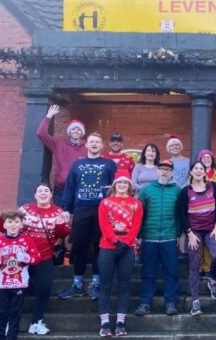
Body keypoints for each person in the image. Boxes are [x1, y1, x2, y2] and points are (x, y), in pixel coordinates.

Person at [0, 184, 70, 335]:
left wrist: (60, 223)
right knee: (10, 289)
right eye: (39, 191)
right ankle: (2, 321)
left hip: (44, 256)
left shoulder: (58, 211)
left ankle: (36, 322)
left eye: (46, 191)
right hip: (20, 257)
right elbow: (9, 228)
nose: (43, 193)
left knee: (44, 288)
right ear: (35, 195)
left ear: (51, 194)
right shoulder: (25, 209)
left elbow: (63, 234)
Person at [59, 132, 117, 300]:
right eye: (91, 141)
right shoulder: (77, 164)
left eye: (97, 142)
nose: (94, 144)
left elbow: (116, 188)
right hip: (81, 210)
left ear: (101, 146)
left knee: (100, 247)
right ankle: (77, 284)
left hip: (102, 211)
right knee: (80, 247)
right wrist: (65, 208)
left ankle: (96, 284)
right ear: (86, 145)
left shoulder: (109, 164)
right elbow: (70, 187)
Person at [97, 170, 143, 336]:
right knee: (106, 284)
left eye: (126, 183)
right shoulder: (105, 203)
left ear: (129, 186)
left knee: (124, 284)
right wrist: (116, 241)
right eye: (120, 182)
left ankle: (121, 322)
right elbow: (104, 225)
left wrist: (126, 242)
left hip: (127, 246)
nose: (123, 185)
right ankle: (105, 323)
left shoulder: (136, 204)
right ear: (115, 185)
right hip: (108, 246)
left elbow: (136, 226)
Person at [134, 160, 181, 316]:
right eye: (161, 169)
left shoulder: (177, 191)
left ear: (172, 173)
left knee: (171, 271)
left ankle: (170, 303)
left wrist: (179, 235)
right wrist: (139, 236)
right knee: (148, 272)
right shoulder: (146, 191)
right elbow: (139, 216)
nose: (164, 172)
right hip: (149, 238)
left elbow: (179, 215)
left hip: (169, 237)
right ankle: (145, 303)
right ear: (156, 171)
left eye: (167, 170)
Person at [178, 162, 216, 315]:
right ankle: (195, 302)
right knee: (194, 264)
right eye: (195, 169)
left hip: (211, 229)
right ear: (191, 172)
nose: (198, 171)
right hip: (194, 232)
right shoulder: (185, 191)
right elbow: (182, 214)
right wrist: (189, 233)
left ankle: (211, 279)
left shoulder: (212, 187)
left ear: (205, 172)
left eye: (201, 169)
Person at [0, 210, 41, 340]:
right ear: (5, 225)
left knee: (15, 313)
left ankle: (12, 337)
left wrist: (26, 258)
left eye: (16, 222)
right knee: (1, 313)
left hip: (19, 282)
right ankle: (0, 337)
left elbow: (37, 258)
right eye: (10, 222)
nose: (13, 225)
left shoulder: (27, 240)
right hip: (1, 284)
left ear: (21, 225)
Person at [36, 105, 87, 206]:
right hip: (61, 188)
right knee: (60, 216)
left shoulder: (88, 146)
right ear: (69, 132)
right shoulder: (59, 144)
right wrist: (48, 116)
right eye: (73, 129)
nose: (76, 131)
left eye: (78, 129)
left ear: (82, 133)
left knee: (78, 218)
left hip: (81, 188)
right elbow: (41, 133)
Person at [197, 149, 216, 291]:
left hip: (213, 210)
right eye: (204, 157)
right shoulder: (196, 172)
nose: (206, 159)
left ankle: (207, 268)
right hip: (197, 211)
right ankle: (199, 267)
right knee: (197, 243)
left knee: (210, 243)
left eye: (209, 157)